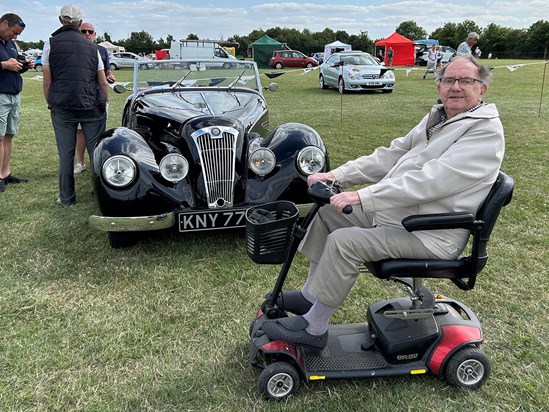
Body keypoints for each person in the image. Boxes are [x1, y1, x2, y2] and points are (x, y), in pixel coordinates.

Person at [262, 55, 505, 350]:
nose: (455, 87)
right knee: (326, 213)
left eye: (466, 80)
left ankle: (314, 327)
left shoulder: (484, 131)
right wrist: (338, 175)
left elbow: (428, 182)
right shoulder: (439, 117)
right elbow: (391, 154)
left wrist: (364, 196)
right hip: (400, 218)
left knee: (345, 241)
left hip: (431, 234)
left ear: (482, 90)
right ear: (439, 86)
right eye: (448, 80)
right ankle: (312, 296)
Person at [42, 4, 109, 205]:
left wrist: (50, 102)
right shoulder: (93, 47)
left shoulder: (50, 44)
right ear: (79, 23)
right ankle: (101, 194)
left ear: (61, 20)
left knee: (66, 154)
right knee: (97, 152)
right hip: (90, 106)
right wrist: (104, 102)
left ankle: (67, 197)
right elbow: (102, 81)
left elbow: (47, 81)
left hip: (62, 107)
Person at [74, 21, 115, 174]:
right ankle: (80, 162)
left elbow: (108, 72)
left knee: (98, 131)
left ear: (95, 35)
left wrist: (110, 77)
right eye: (83, 31)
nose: (87, 34)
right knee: (79, 132)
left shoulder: (102, 51)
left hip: (98, 98)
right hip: (80, 97)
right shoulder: (74, 50)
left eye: (90, 32)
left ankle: (96, 163)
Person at [0, 13, 30, 193]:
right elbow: (6, 65)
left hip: (14, 95)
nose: (15, 37)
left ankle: (5, 173)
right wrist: (4, 65)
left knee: (9, 135)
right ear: (5, 23)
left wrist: (23, 65)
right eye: (14, 32)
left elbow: (14, 65)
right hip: (1, 95)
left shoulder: (11, 44)